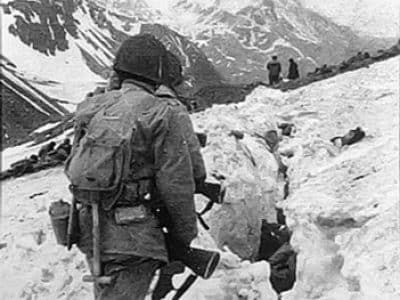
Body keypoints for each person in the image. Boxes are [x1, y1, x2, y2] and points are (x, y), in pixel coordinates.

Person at [69, 34, 205, 300]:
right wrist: (184, 236)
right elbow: (176, 184)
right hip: (135, 237)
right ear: (157, 72)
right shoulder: (160, 111)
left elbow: (73, 164)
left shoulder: (92, 106)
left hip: (91, 229)